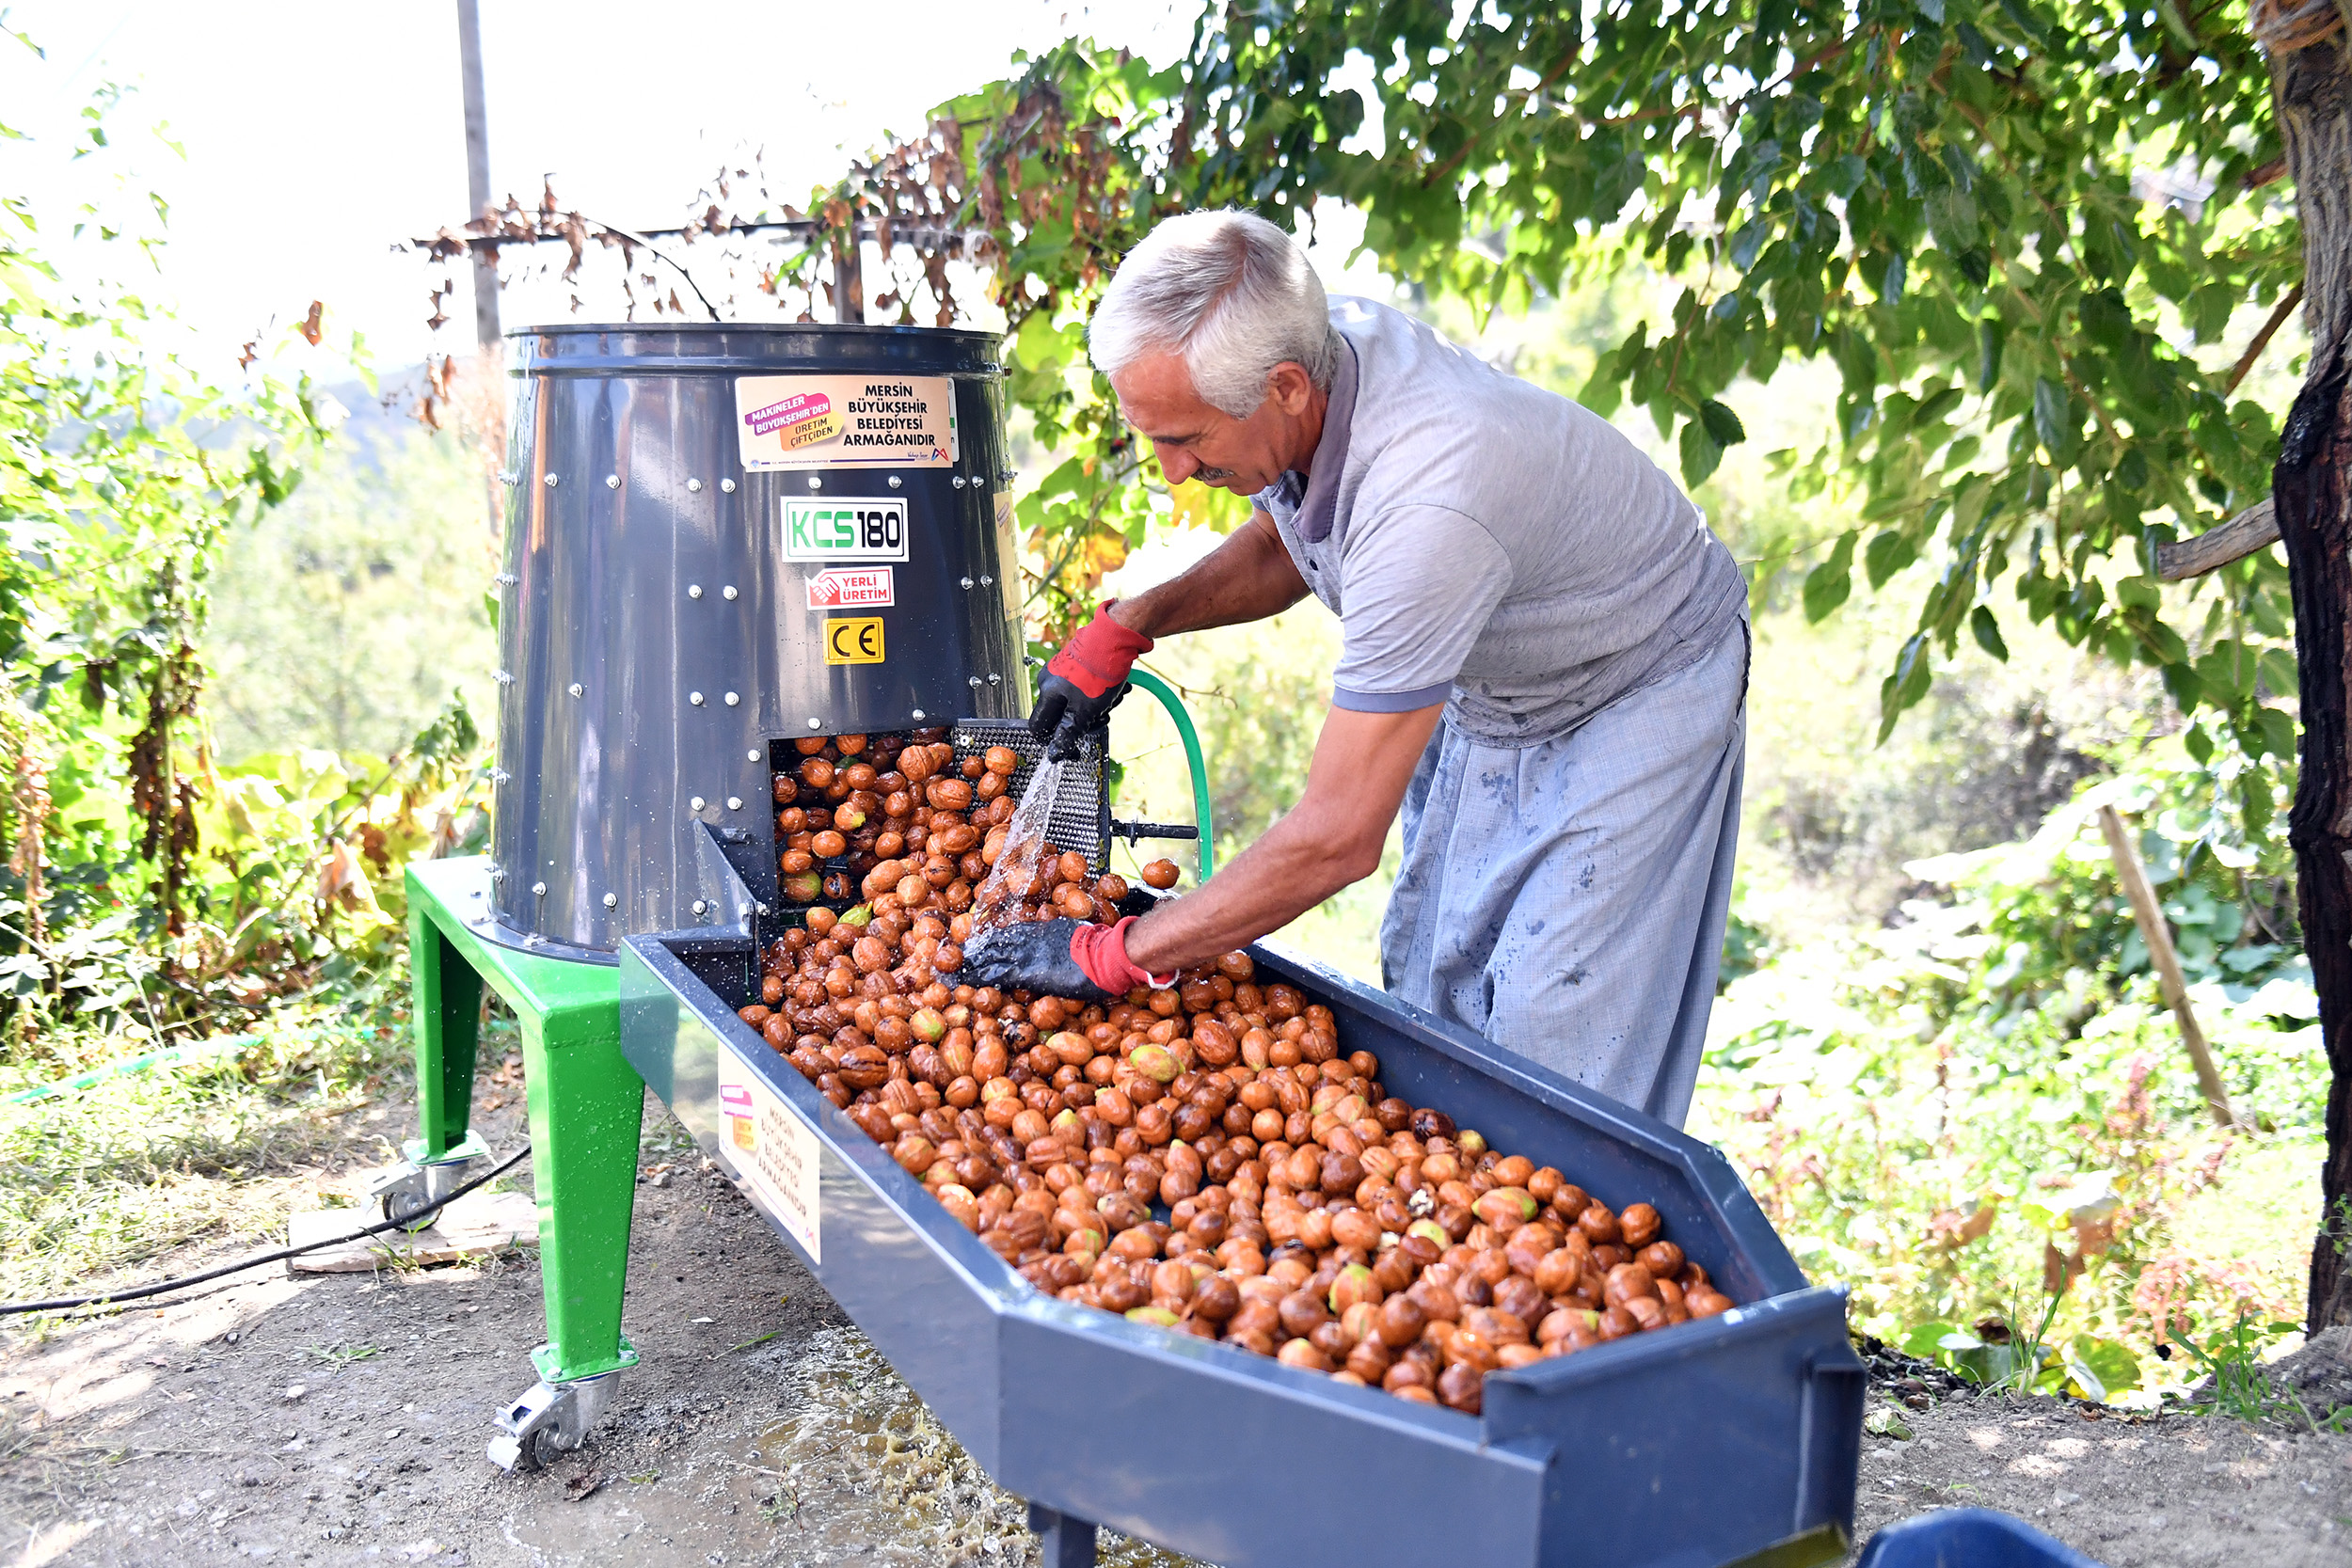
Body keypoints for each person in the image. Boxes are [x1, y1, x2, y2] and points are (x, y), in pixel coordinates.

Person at [962, 209, 1748, 1127]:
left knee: (1559, 1040)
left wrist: (1121, 950)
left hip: (1634, 681)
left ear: (1286, 386)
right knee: (1435, 978)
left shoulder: (1430, 503)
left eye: (1187, 440)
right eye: (1154, 437)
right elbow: (1284, 541)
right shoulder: (1316, 362)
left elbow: (1337, 835)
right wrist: (1131, 624)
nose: (1172, 472)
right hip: (1498, 679)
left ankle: (1557, 1249)